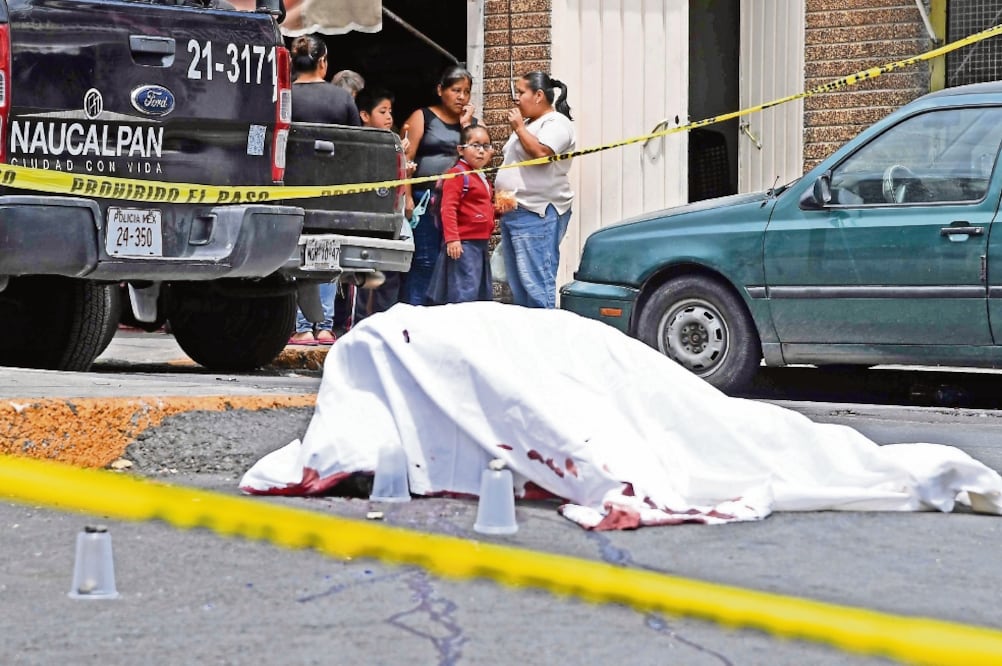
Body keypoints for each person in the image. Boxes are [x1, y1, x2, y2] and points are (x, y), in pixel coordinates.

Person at [288, 34, 361, 345]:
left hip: (289, 190)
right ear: (322, 62)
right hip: (332, 191)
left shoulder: (284, 95)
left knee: (295, 255)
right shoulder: (341, 99)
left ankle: (302, 326)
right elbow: (356, 145)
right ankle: (325, 326)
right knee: (327, 253)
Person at [494, 71, 576, 309]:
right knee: (518, 284)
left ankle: (546, 329)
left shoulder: (556, 123)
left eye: (521, 92)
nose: (516, 98)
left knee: (535, 283)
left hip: (536, 213)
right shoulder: (532, 124)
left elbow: (541, 154)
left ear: (539, 95)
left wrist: (519, 128)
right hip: (515, 211)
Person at [400, 66, 478, 305]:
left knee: (455, 261)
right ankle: (415, 312)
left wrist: (466, 126)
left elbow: (477, 159)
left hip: (459, 203)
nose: (462, 97)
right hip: (426, 200)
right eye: (456, 90)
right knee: (425, 259)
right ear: (440, 90)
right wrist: (407, 197)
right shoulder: (423, 117)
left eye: (466, 91)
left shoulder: (472, 125)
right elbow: (405, 158)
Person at [353, 87, 412, 321]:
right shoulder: (357, 143)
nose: (389, 117)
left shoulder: (392, 142)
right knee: (361, 275)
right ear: (364, 115)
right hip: (363, 218)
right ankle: (359, 324)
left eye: (390, 111)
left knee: (389, 272)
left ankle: (386, 322)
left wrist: (403, 162)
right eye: (382, 111)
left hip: (389, 217)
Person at [426, 125, 497, 304]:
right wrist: (452, 239)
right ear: (461, 150)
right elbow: (448, 207)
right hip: (464, 244)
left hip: (480, 243)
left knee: (478, 292)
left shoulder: (481, 177)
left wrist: (498, 211)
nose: (481, 151)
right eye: (475, 145)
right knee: (465, 291)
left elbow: (479, 208)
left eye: (486, 146)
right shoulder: (457, 174)